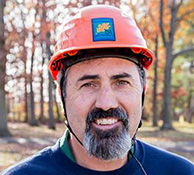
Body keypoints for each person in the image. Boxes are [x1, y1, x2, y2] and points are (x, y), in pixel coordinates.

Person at [1, 5, 194, 175]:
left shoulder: (180, 172)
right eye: (88, 84)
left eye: (121, 82)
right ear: (62, 95)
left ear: (142, 90)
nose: (106, 102)